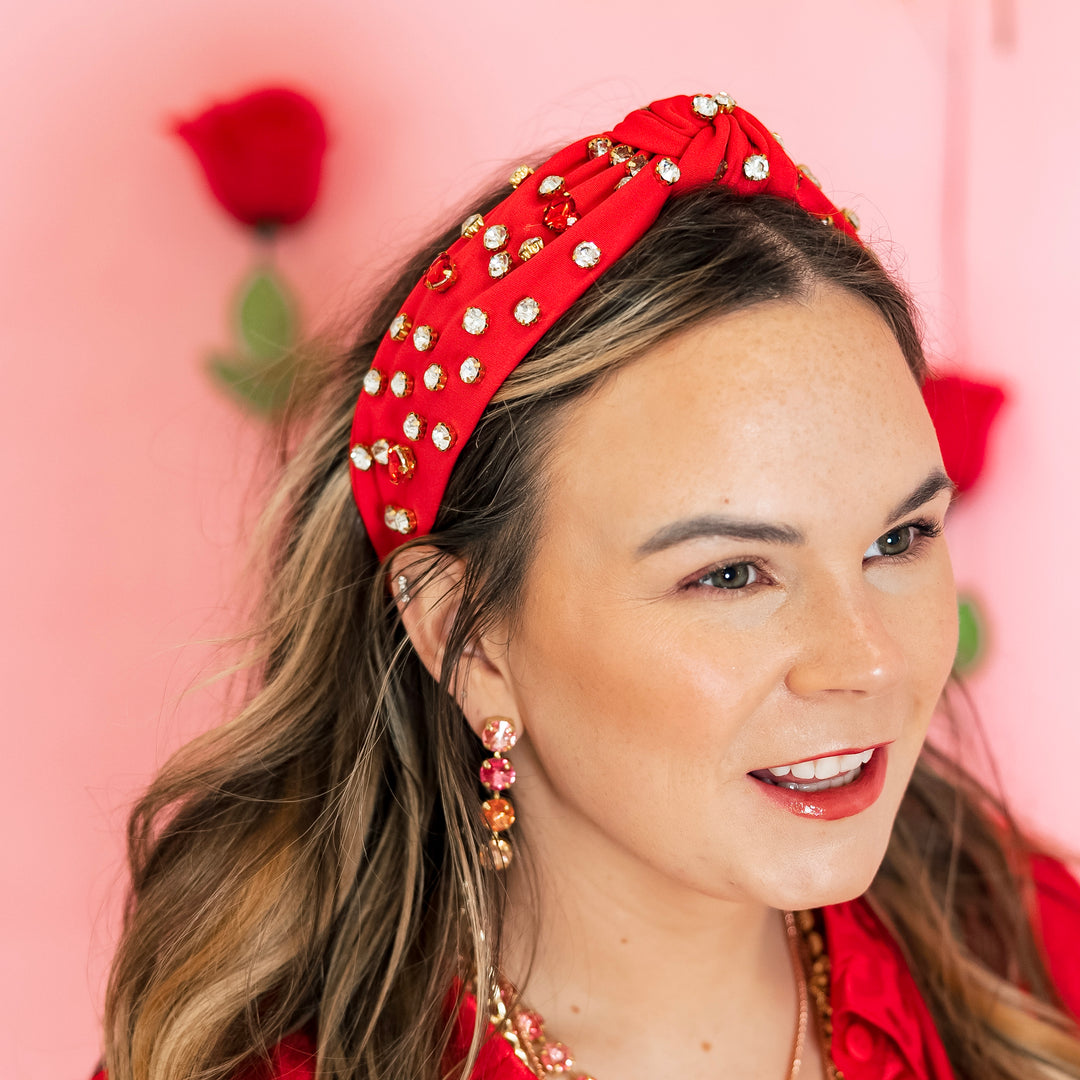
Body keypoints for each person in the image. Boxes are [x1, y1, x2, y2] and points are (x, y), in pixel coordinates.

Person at [94, 92, 1080, 1080]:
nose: (869, 660)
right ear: (464, 639)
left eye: (900, 537)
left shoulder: (1037, 958)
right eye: (732, 574)